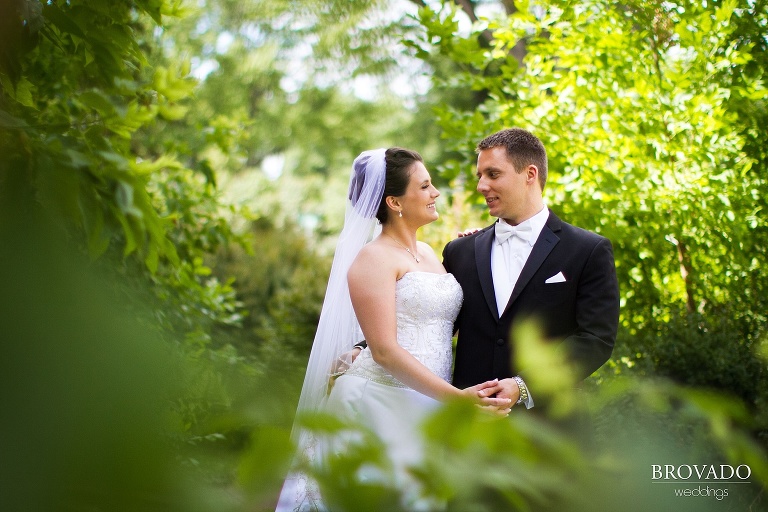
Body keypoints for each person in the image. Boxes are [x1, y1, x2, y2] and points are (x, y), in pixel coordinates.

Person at [275, 148, 511, 512]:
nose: (435, 194)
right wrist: (456, 398)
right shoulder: (372, 258)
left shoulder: (433, 254)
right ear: (394, 201)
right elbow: (383, 349)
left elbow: (445, 316)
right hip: (377, 402)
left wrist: (479, 247)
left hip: (426, 403)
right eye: (426, 186)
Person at [443, 127, 620, 408]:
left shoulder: (588, 250)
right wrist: (364, 349)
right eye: (479, 176)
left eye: (493, 174)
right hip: (468, 427)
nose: (481, 186)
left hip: (549, 429)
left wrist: (524, 385)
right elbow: (430, 322)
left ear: (530, 174)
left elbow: (595, 339)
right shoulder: (460, 252)